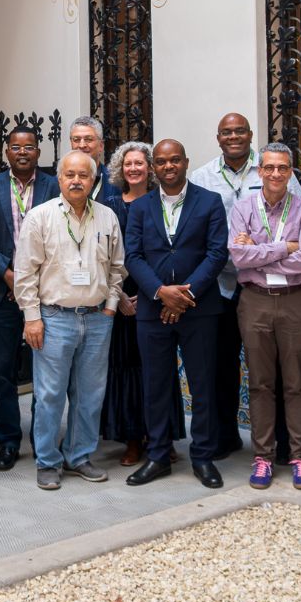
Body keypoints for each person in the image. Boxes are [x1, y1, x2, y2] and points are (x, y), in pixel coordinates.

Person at [188, 113, 301, 463]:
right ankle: (224, 438)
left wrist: (257, 250)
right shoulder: (202, 177)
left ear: (251, 135)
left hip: (267, 282)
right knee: (220, 365)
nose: (234, 136)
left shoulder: (275, 170)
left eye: (240, 131)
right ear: (218, 137)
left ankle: (282, 444)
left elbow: (295, 222)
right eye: (227, 132)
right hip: (219, 285)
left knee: (276, 366)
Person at [15, 151, 124, 490]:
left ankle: (79, 456)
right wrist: (32, 317)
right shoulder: (40, 217)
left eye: (83, 175)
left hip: (96, 319)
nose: (77, 180)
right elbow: (24, 272)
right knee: (49, 395)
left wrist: (110, 307)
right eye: (70, 175)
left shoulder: (107, 217)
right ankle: (47, 461)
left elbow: (118, 267)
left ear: (94, 180)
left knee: (90, 394)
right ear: (59, 179)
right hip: (53, 319)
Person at [124, 139, 230, 489]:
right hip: (153, 310)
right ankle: (157, 455)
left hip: (199, 309)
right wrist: (160, 292)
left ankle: (203, 456)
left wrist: (185, 295)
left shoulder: (210, 202)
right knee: (156, 384)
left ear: (185, 162)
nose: (168, 167)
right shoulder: (140, 207)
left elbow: (216, 254)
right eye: (161, 162)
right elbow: (133, 256)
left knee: (203, 385)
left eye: (174, 160)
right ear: (154, 167)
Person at [228, 143, 301, 491]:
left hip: (296, 301)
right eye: (270, 167)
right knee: (260, 383)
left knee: (297, 382)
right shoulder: (242, 208)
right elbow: (238, 257)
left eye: (283, 167)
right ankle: (263, 457)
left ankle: (300, 457)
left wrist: (258, 250)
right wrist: (285, 247)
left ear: (291, 171)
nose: (277, 173)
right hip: (255, 301)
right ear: (259, 171)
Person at [0, 126, 59, 471]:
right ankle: (8, 439)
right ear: (5, 152)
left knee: (44, 372)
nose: (22, 152)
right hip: (0, 294)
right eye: (15, 147)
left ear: (38, 151)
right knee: (3, 373)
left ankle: (42, 438)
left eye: (29, 147)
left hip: (45, 293)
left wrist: (30, 280)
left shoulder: (54, 186)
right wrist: (8, 273)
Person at [100, 141, 181, 467]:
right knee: (127, 371)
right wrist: (118, 298)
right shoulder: (108, 206)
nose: (134, 168)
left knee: (159, 370)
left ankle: (162, 437)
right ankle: (133, 439)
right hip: (122, 299)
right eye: (128, 164)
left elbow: (167, 251)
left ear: (151, 168)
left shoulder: (161, 204)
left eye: (140, 163)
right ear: (121, 169)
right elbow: (102, 257)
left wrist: (157, 292)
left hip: (155, 296)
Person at [68, 116, 125, 209]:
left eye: (88, 139)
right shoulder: (59, 181)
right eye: (77, 140)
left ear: (101, 146)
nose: (82, 145)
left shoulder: (116, 182)